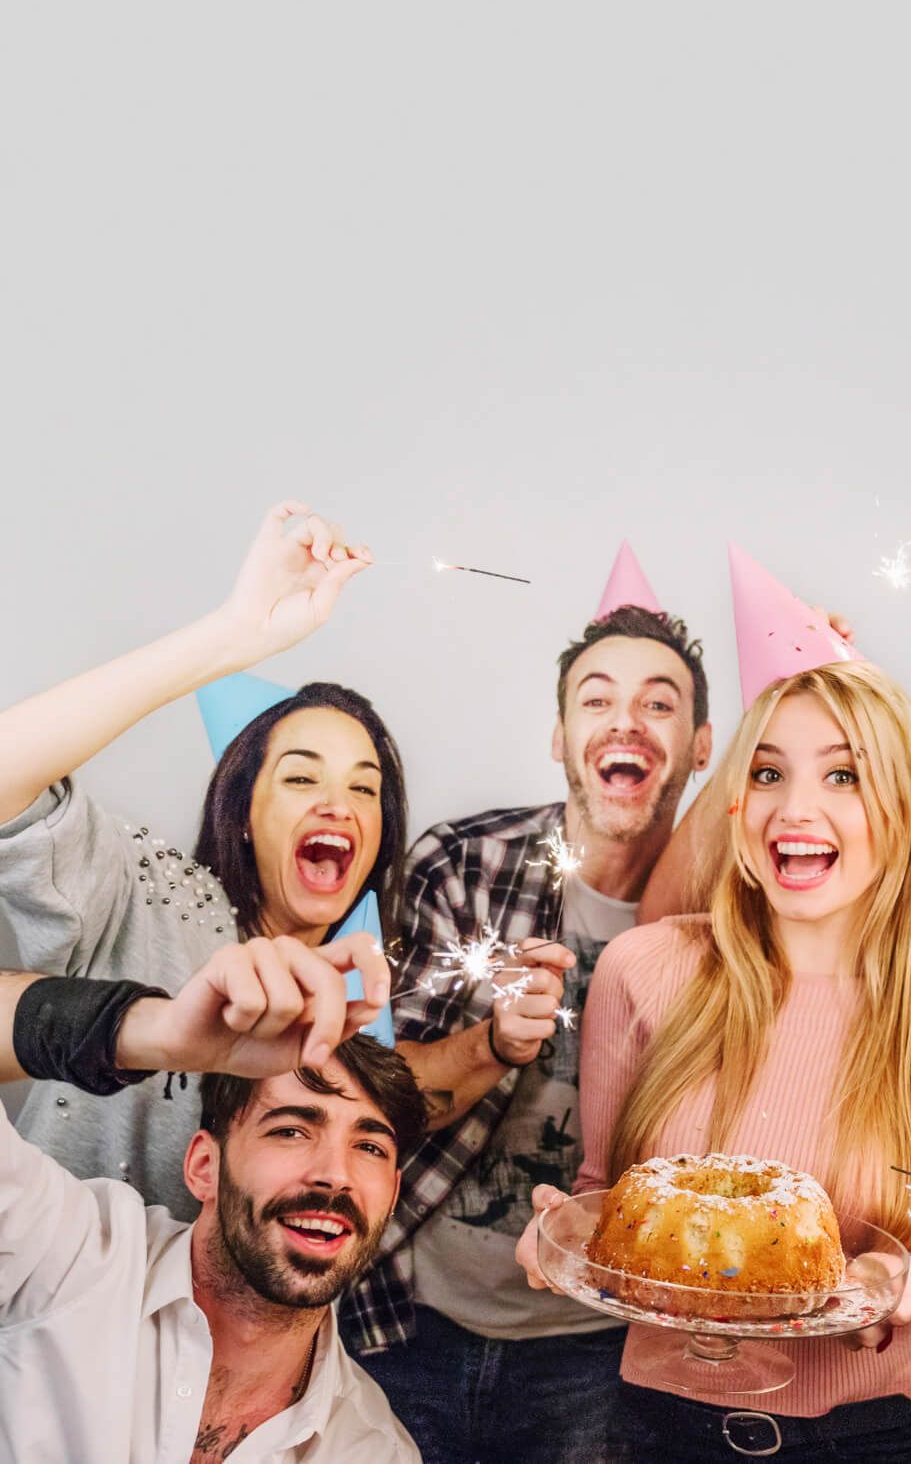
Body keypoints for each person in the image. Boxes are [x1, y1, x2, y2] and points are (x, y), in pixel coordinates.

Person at [520, 657, 911, 1462]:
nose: (795, 809)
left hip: (886, 1436)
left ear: (900, 809)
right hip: (661, 1429)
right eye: (768, 772)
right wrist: (559, 1234)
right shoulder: (642, 969)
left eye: (842, 775)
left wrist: (908, 1284)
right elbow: (604, 1200)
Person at [343, 587, 716, 1463]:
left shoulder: (732, 922)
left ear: (702, 749)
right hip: (411, 1318)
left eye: (660, 703)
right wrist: (496, 1043)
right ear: (560, 738)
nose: (627, 721)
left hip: (603, 1349)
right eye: (597, 699)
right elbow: (373, 1106)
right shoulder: (465, 864)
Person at [0, 501, 406, 1220]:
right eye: (303, 777)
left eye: (364, 788)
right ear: (244, 813)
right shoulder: (148, 891)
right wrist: (234, 634)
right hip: (49, 1319)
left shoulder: (364, 997)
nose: (339, 805)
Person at [0, 931, 424, 1462]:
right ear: (204, 1166)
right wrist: (153, 1029)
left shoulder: (373, 1451)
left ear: (391, 1197)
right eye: (291, 1130)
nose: (335, 1175)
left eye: (369, 1146)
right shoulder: (69, 1260)